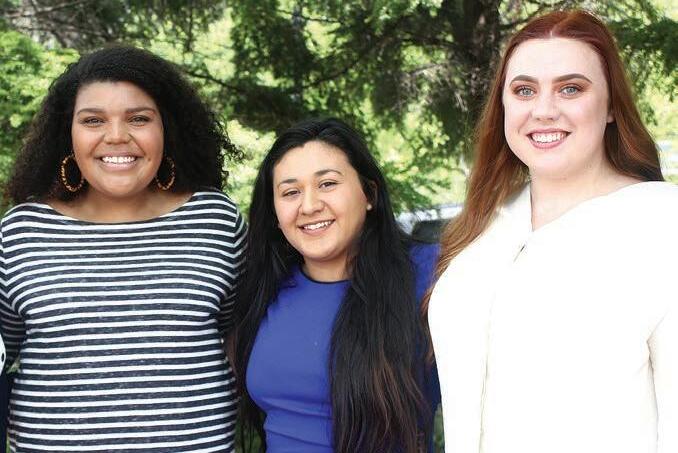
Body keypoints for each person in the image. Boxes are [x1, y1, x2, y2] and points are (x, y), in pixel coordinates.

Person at [426, 9, 677, 453]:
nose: (543, 110)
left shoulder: (660, 222)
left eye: (571, 88)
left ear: (611, 106)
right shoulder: (486, 225)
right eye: (524, 90)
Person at [0, 46, 246, 452]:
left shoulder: (215, 221)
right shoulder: (21, 232)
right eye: (93, 120)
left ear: (167, 127)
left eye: (139, 118)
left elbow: (246, 341)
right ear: (67, 133)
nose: (116, 136)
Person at [233, 118, 440, 452]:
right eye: (290, 192)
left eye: (327, 184)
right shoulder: (262, 288)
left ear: (369, 193)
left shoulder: (430, 274)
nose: (309, 205)